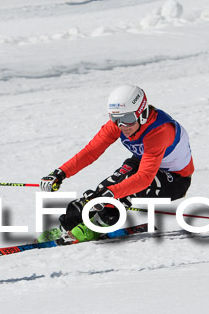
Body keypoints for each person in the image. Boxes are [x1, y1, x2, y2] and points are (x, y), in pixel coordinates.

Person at [38, 85, 194, 242]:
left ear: (143, 114)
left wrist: (110, 194)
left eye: (127, 119)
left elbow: (145, 178)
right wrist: (60, 173)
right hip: (144, 162)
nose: (122, 126)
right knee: (100, 192)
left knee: (119, 193)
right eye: (115, 118)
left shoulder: (160, 131)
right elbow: (91, 151)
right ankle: (66, 227)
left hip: (175, 179)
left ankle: (95, 227)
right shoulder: (120, 123)